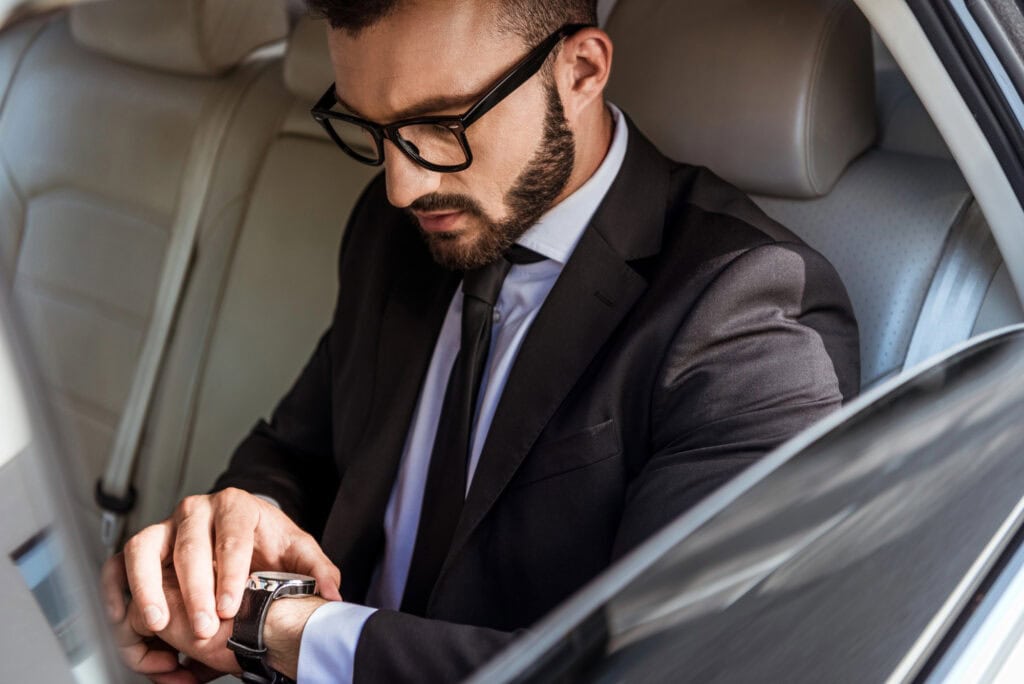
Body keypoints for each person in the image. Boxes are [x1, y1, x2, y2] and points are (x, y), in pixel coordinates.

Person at [102, 0, 860, 681]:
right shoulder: (398, 230)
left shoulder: (747, 312)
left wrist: (280, 632)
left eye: (443, 122)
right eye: (374, 129)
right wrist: (219, 557)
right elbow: (302, 449)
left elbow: (664, 664)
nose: (401, 185)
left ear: (581, 70)